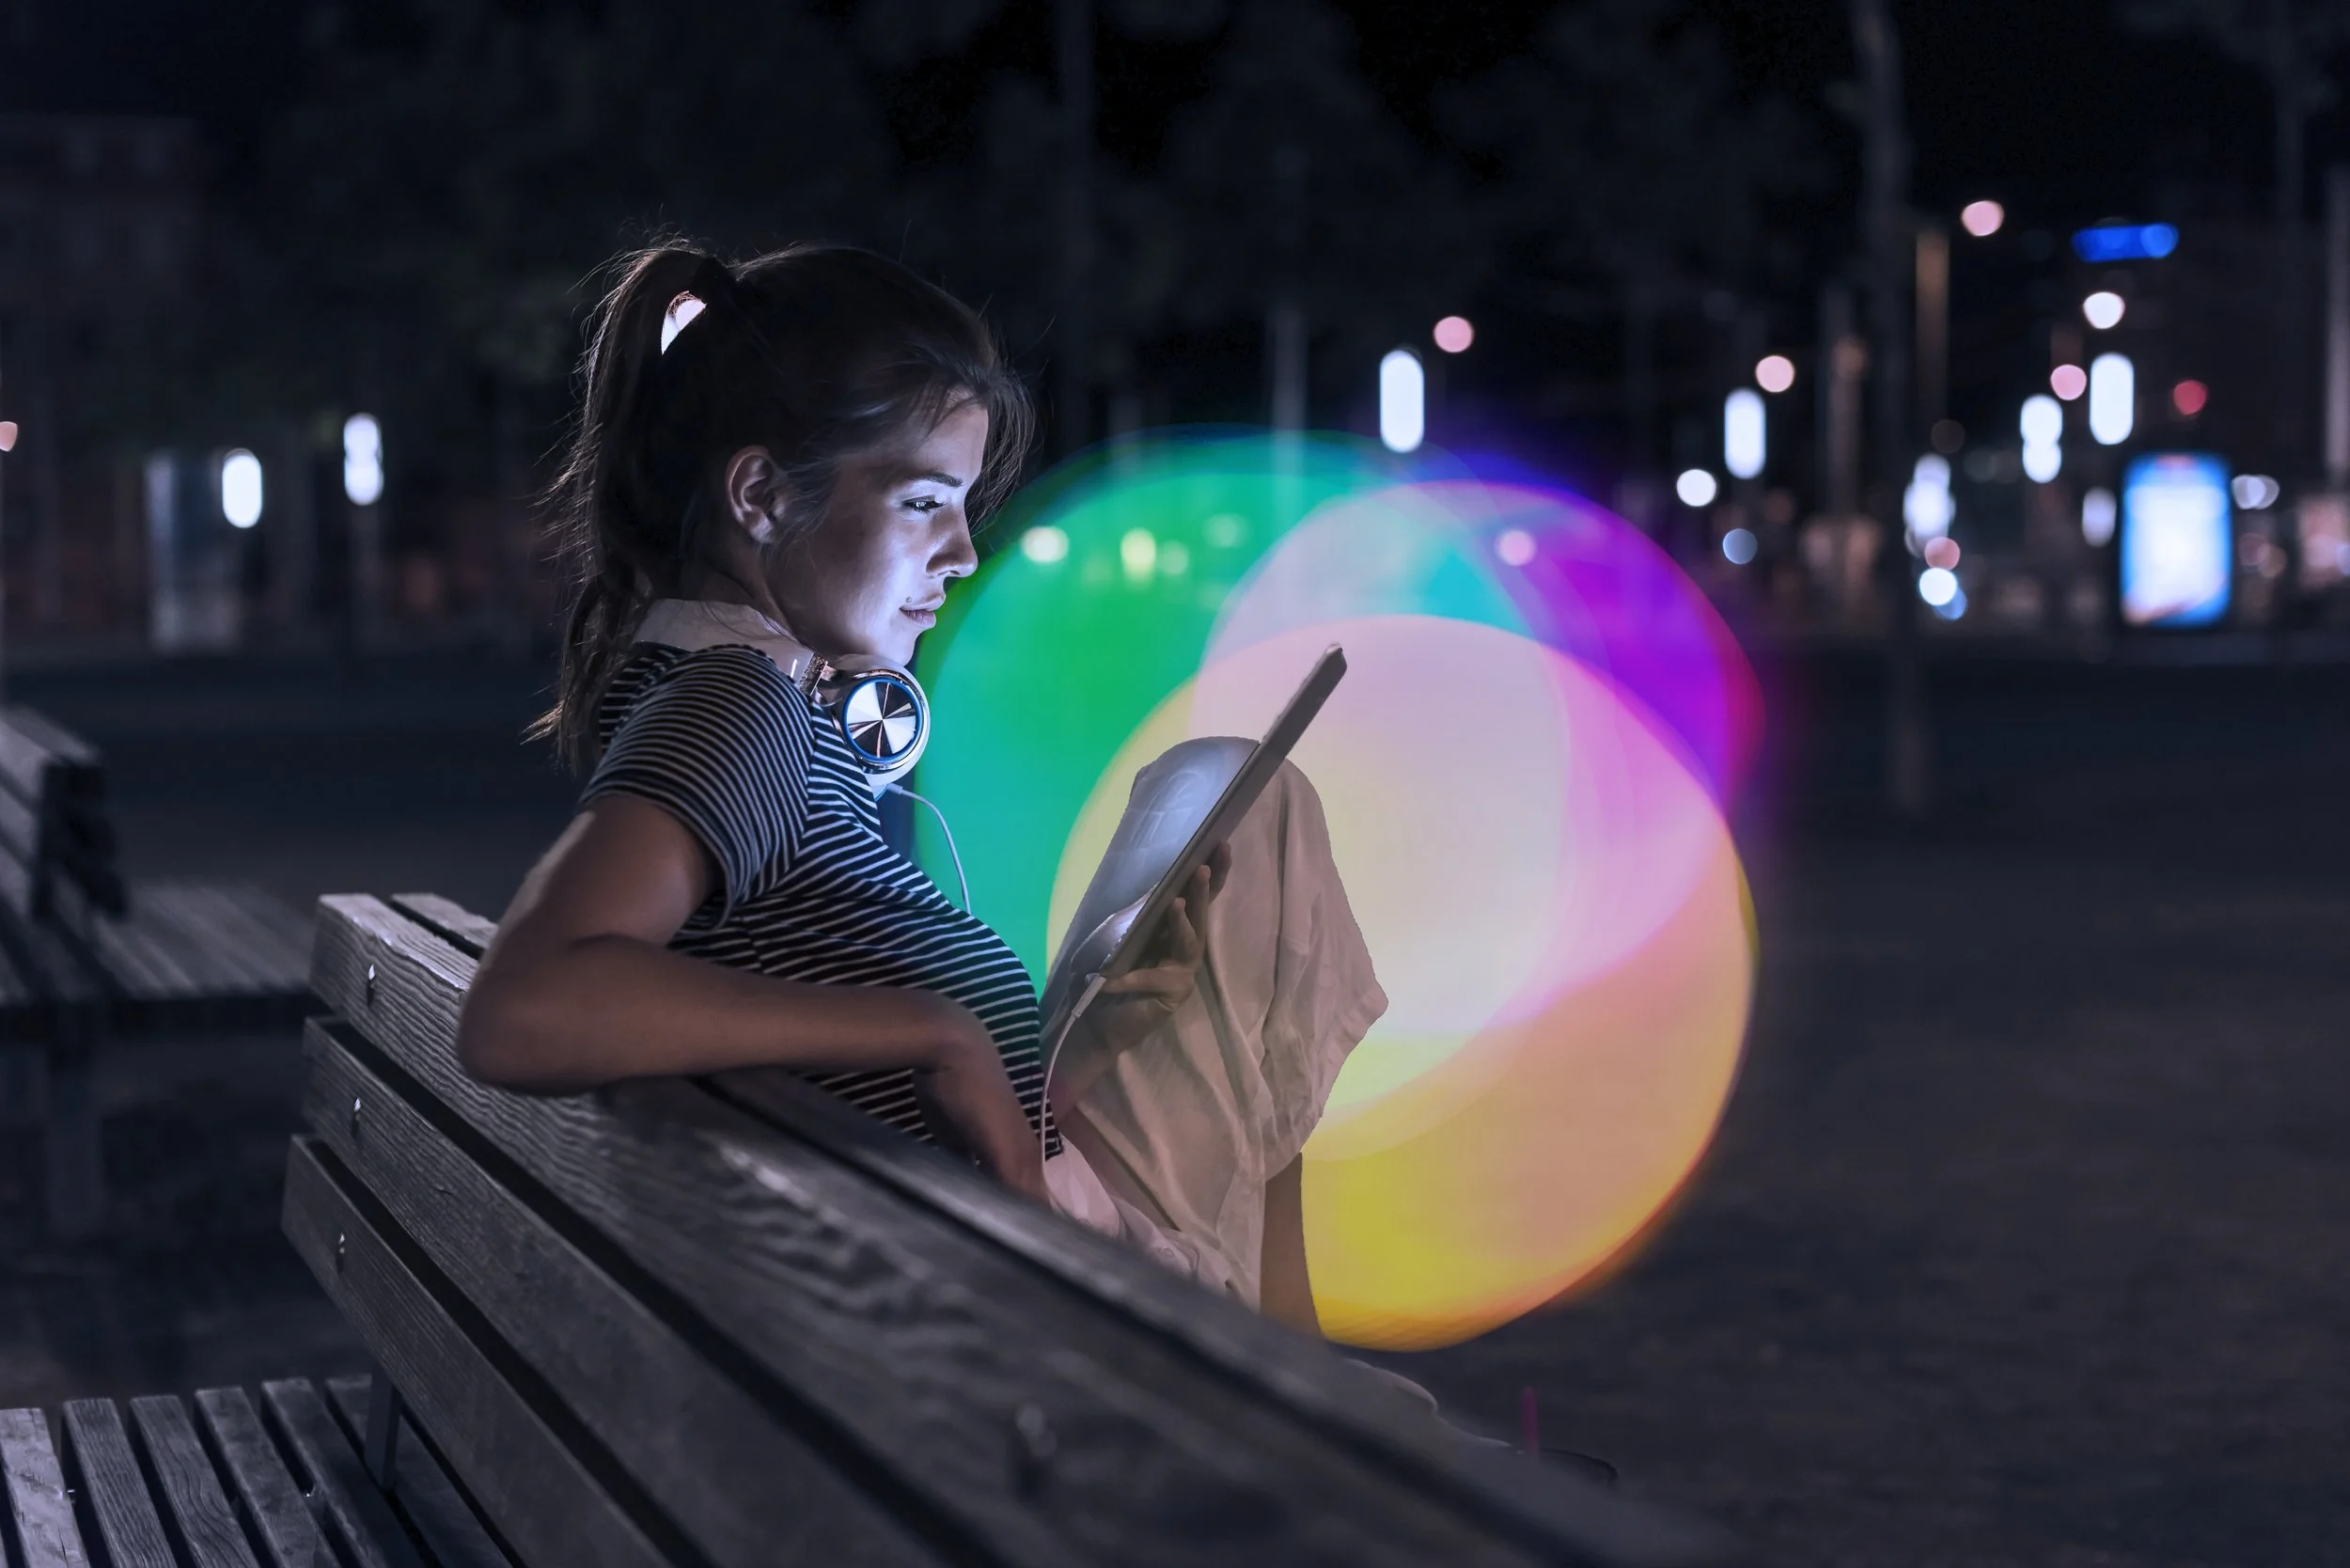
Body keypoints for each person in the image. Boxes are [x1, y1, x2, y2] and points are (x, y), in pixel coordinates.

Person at [457, 242, 1384, 1339]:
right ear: (758, 495)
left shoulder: (744, 703)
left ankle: (1327, 1398)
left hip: (970, 1235)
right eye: (924, 502)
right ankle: (1320, 1407)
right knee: (1258, 813)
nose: (959, 551)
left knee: (1227, 798)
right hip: (1025, 1302)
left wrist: (1063, 1054)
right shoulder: (740, 707)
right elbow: (522, 1012)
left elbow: (847, 1070)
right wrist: (933, 1030)